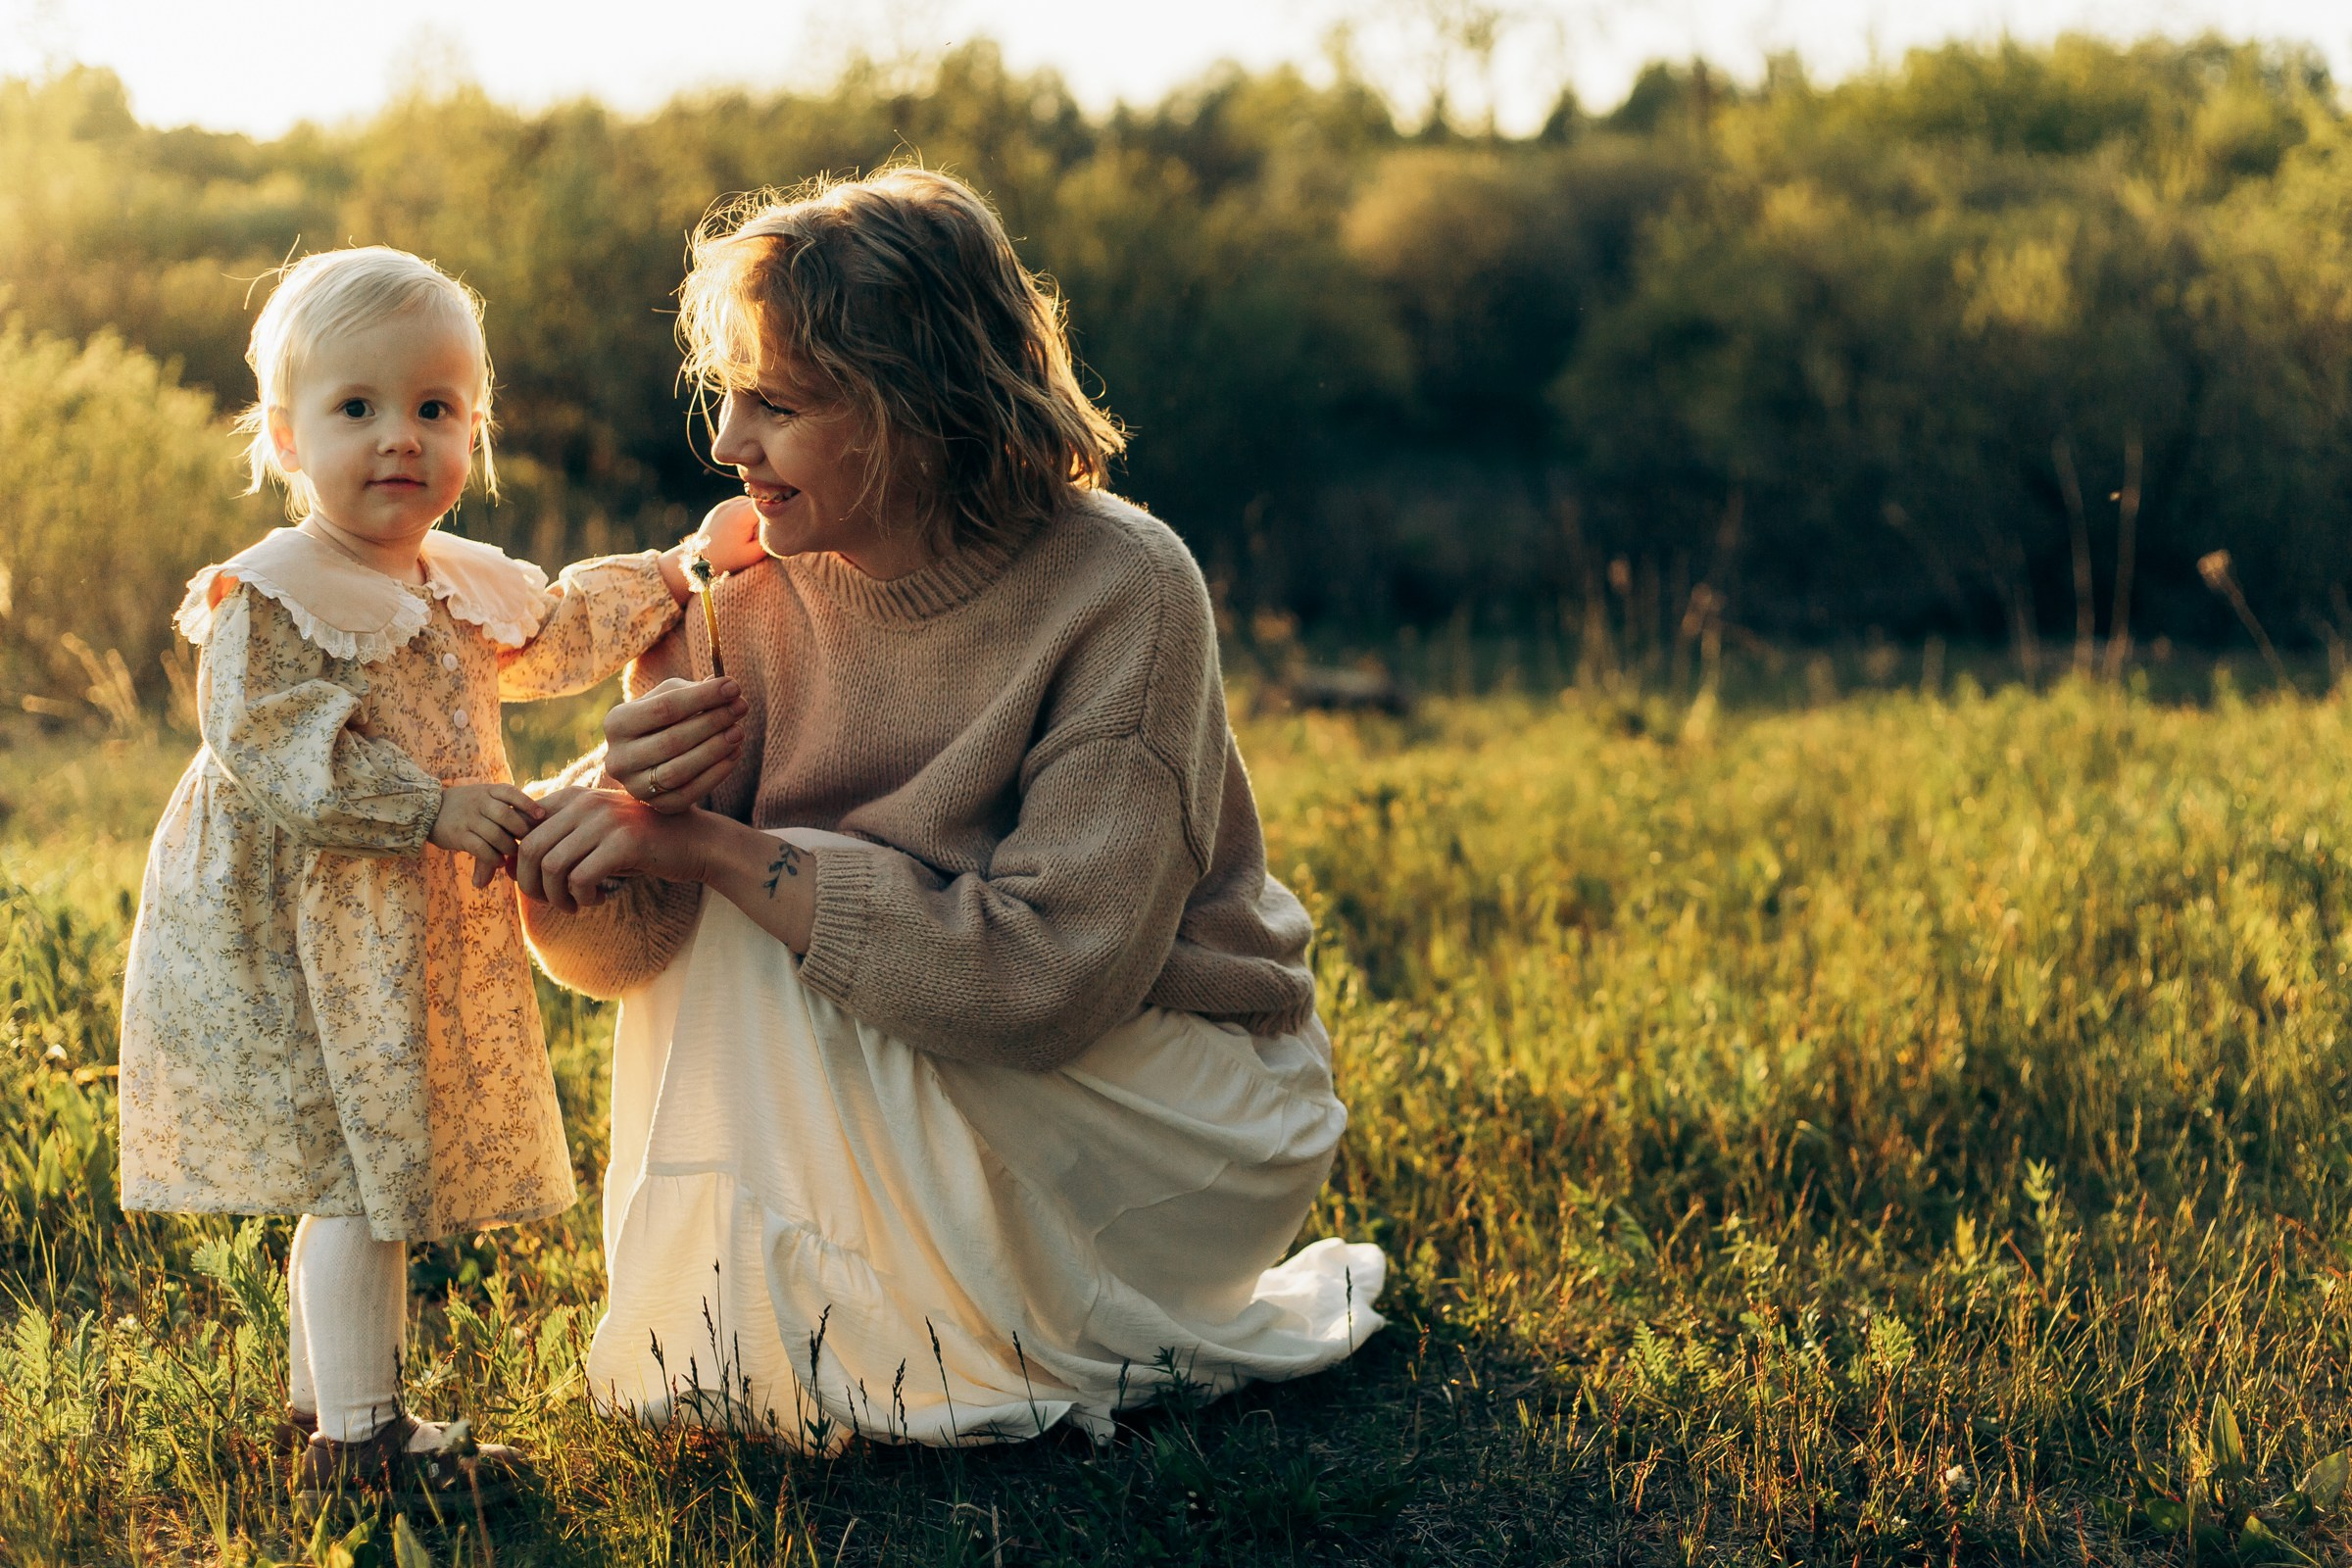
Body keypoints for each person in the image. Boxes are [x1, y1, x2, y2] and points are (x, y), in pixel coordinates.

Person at [513, 167, 1387, 1448]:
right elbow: (641, 962)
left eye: (780, 404)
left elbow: (1050, 981)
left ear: (914, 414)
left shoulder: (1125, 588)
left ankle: (892, 1356)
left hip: (1162, 1100)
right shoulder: (740, 583)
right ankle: (759, 1354)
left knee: (778, 873)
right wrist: (616, 825)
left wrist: (712, 846)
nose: (726, 442)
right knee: (752, 892)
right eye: (729, 394)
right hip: (933, 1057)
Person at [114, 245, 764, 1505]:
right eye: (356, 409)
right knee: (364, 1170)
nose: (399, 439)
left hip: (400, 924)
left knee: (367, 1163)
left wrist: (684, 568)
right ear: (288, 439)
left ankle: (330, 1415)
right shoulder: (275, 591)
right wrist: (426, 802)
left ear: (475, 425)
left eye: (434, 409)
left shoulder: (450, 582)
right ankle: (361, 1445)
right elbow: (271, 744)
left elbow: (563, 630)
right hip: (305, 926)